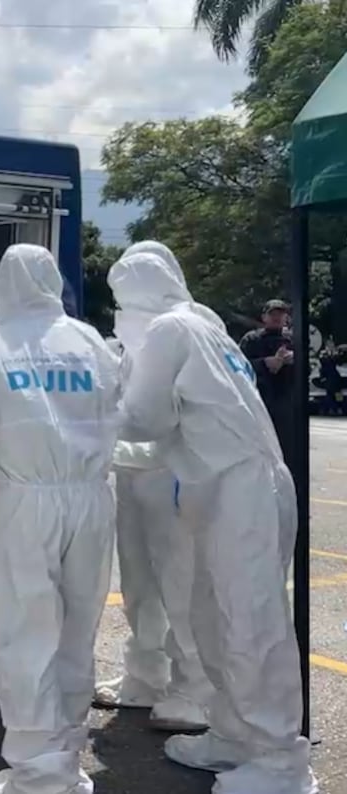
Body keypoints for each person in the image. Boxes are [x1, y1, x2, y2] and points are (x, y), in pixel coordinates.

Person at [112, 253, 317, 794]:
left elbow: (145, 416)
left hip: (239, 485)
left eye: (121, 298)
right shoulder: (206, 326)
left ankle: (280, 759)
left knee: (251, 623)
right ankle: (231, 733)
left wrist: (89, 414)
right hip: (223, 483)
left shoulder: (172, 328)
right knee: (209, 616)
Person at [0, 244, 121, 794]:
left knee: (25, 632)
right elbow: (119, 407)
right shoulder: (89, 340)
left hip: (25, 498)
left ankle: (38, 773)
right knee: (75, 628)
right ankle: (66, 758)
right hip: (91, 497)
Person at [93, 241, 212, 733]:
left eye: (128, 295)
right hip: (133, 471)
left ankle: (195, 689)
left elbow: (152, 415)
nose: (123, 307)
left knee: (182, 587)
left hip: (174, 473)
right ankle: (145, 675)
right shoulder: (136, 334)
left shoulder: (190, 326)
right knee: (140, 585)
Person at [240, 299, 296, 456]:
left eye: (281, 314)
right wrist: (265, 363)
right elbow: (236, 366)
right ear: (264, 317)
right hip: (258, 402)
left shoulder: (293, 340)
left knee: (287, 450)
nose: (277, 317)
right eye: (273, 314)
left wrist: (294, 359)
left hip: (287, 406)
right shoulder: (251, 339)